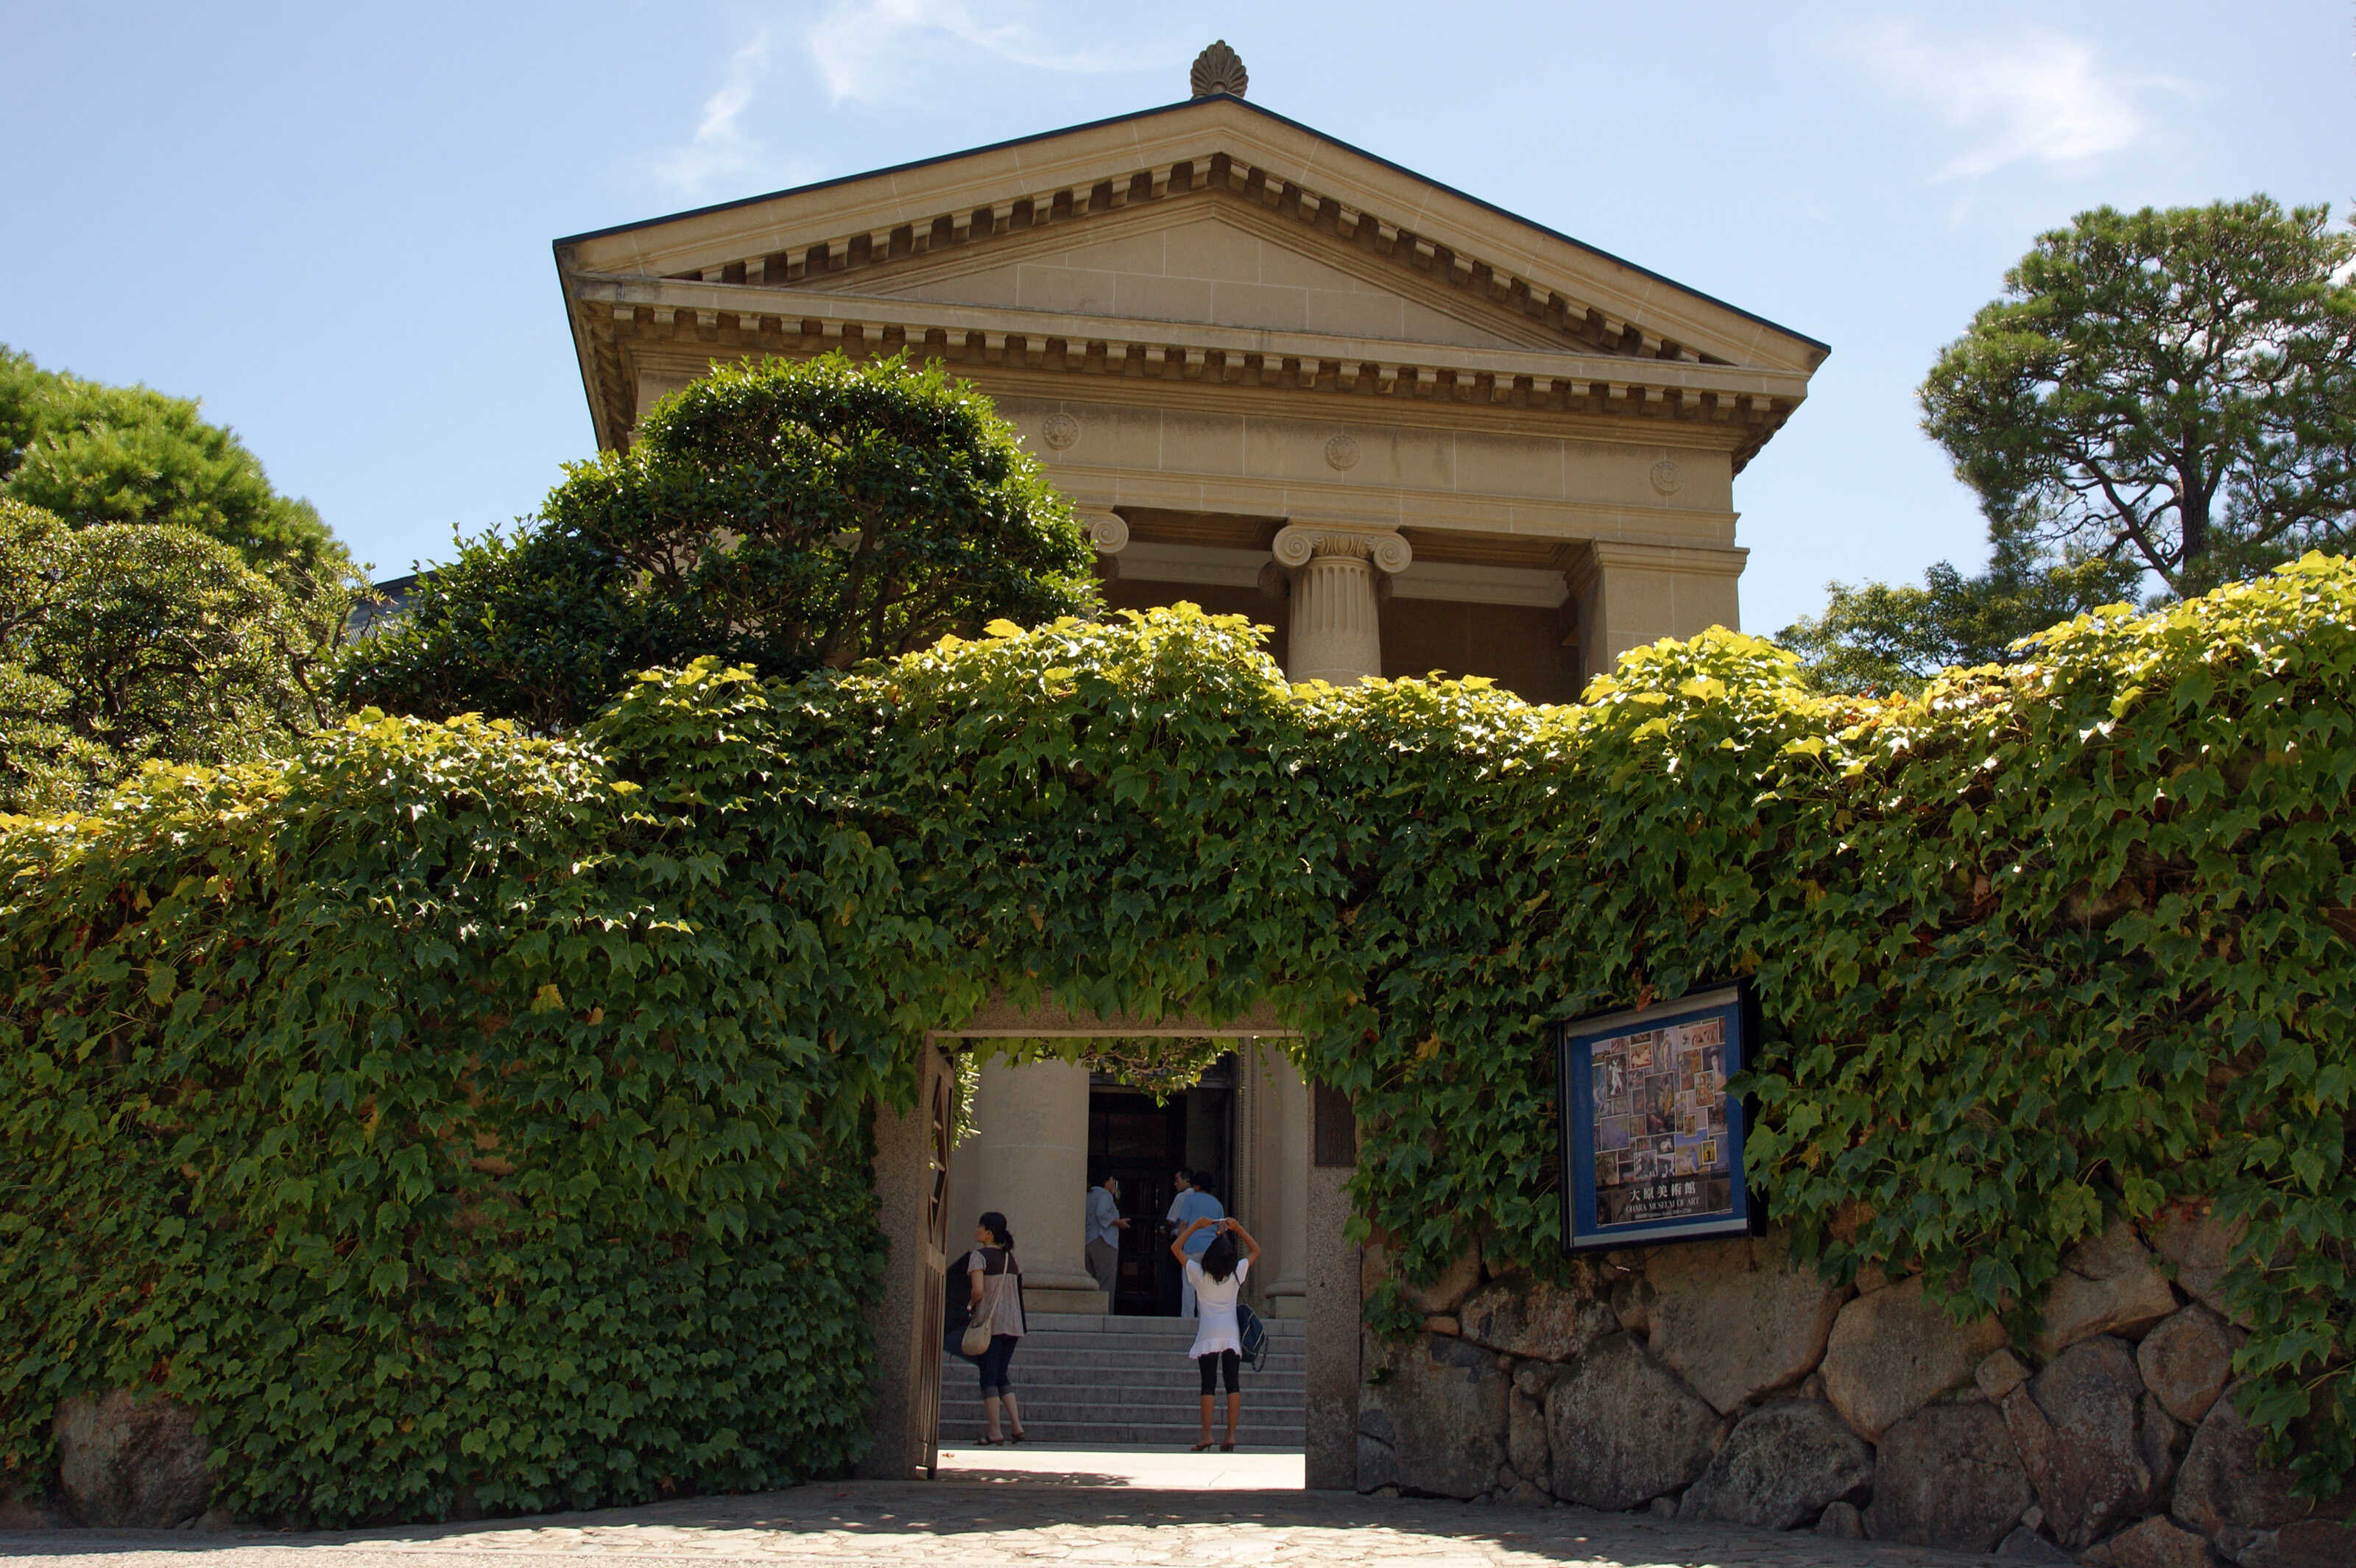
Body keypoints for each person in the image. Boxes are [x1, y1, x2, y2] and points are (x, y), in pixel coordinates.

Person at [1170, 1215, 1258, 1451]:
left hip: (1208, 1334)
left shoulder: (1199, 1274)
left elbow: (1175, 1248)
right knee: (1233, 1384)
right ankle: (1230, 1435)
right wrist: (1238, 1229)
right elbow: (1256, 1250)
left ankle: (1206, 1434)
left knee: (1207, 1384)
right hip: (1231, 1333)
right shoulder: (1237, 1272)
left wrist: (1195, 1227)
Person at [964, 1212, 1027, 1444]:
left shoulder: (978, 1258)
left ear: (989, 1232)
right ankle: (1017, 1426)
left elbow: (978, 1290)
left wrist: (970, 1304)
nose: (976, 1229)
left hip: (990, 1324)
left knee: (988, 1377)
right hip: (1013, 1324)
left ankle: (994, 1431)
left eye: (980, 1226)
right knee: (1001, 1375)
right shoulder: (1011, 1259)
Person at [1164, 1168, 1224, 1317]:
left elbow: (1183, 1224)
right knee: (1207, 1285)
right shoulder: (1217, 1203)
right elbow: (1222, 1228)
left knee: (1189, 1285)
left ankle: (1188, 1318)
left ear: (1196, 1186)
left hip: (1191, 1247)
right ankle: (1206, 1316)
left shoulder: (1190, 1200)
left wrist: (1180, 1244)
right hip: (1210, 1249)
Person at [1084, 1174, 1128, 1300]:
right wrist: (1118, 1222)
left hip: (1088, 1240)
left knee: (1091, 1282)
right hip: (1103, 1240)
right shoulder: (1104, 1195)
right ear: (1106, 1181)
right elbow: (1101, 1213)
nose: (1114, 1183)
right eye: (1112, 1180)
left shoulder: (1088, 1195)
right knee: (1106, 1282)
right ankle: (1106, 1314)